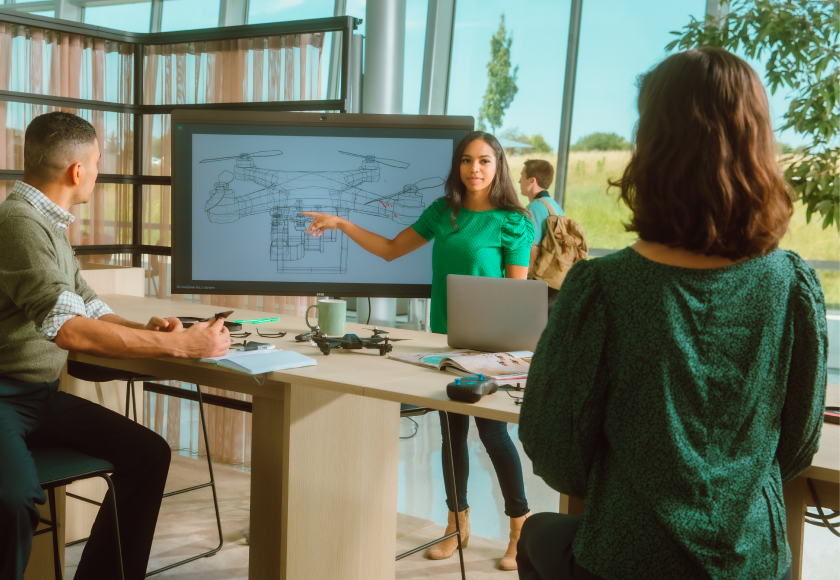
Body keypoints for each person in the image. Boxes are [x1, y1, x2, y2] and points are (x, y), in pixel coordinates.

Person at [516, 48, 828, 580]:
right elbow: (798, 447)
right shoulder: (792, 283)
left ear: (652, 146)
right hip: (753, 563)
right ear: (759, 145)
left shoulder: (601, 288)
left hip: (626, 559)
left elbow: (557, 455)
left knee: (538, 536)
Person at [0, 112, 230, 580]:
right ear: (78, 171)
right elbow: (69, 329)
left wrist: (149, 332)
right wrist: (183, 347)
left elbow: (86, 303)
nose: (98, 173)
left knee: (148, 453)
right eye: (99, 163)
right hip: (4, 396)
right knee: (14, 500)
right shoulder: (18, 225)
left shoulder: (46, 223)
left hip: (36, 398)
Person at [304, 131, 535, 570]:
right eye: (467, 161)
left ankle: (519, 526)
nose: (475, 169)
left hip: (489, 348)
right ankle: (456, 524)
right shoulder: (443, 213)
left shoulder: (513, 221)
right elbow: (391, 251)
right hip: (447, 344)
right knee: (452, 435)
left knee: (492, 433)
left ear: (498, 166)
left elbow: (515, 296)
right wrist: (344, 224)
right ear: (458, 167)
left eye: (484, 161)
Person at [518, 159, 564, 313]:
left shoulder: (534, 208)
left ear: (532, 181)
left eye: (522, 176)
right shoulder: (555, 206)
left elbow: (530, 249)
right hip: (556, 280)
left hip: (539, 284)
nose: (519, 181)